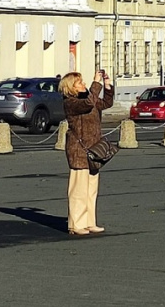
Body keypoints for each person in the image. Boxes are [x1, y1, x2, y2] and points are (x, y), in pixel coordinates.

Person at [59, 69, 114, 236]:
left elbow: (106, 103)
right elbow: (89, 104)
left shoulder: (89, 98)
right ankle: (76, 224)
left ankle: (89, 222)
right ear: (72, 88)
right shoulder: (71, 102)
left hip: (94, 148)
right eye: (80, 83)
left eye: (83, 82)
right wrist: (95, 84)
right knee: (79, 189)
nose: (84, 84)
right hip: (79, 149)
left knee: (91, 189)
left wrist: (107, 85)